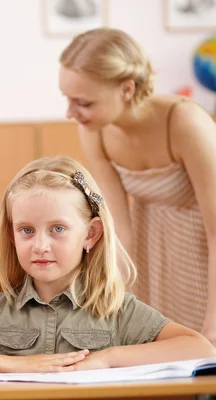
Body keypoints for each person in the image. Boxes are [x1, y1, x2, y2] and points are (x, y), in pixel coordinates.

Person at [0, 157, 215, 379]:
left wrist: (108, 358)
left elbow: (200, 347)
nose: (40, 245)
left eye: (57, 229)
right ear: (12, 235)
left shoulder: (115, 309)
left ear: (91, 234)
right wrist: (7, 364)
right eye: (26, 230)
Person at [58, 27, 216, 343]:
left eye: (83, 102)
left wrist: (213, 324)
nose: (70, 113)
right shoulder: (95, 129)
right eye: (68, 100)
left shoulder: (185, 122)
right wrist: (110, 307)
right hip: (150, 251)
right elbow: (119, 229)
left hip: (205, 256)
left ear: (127, 89)